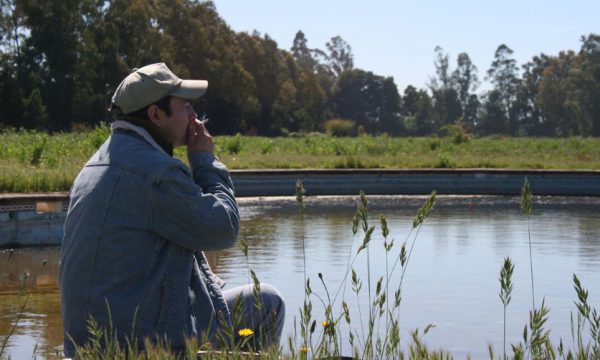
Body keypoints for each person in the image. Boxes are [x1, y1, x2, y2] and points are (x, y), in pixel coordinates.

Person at [59, 63, 284, 357]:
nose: (193, 116)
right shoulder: (156, 173)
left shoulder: (94, 166)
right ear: (155, 115)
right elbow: (224, 228)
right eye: (184, 108)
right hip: (142, 348)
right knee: (268, 303)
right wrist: (205, 162)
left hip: (88, 347)